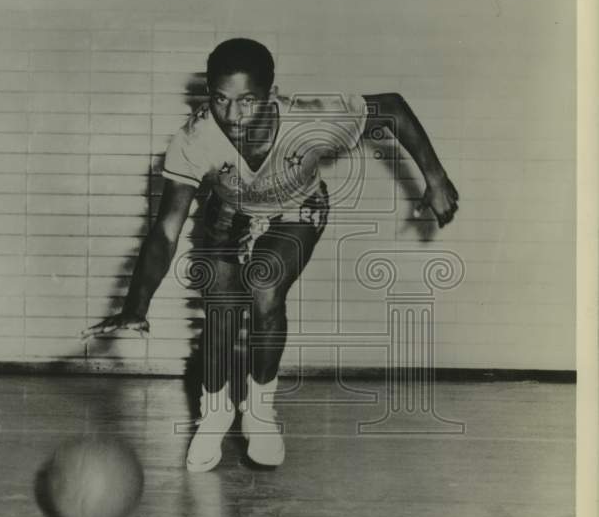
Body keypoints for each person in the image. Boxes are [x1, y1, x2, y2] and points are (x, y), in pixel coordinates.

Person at [84, 38, 459, 472]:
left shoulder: (310, 118)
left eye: (247, 101)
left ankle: (259, 413)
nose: (233, 115)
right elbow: (166, 229)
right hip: (230, 211)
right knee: (221, 311)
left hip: (296, 208)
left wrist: (435, 178)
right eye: (220, 100)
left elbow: (391, 106)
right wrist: (136, 304)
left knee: (264, 287)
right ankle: (216, 413)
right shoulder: (194, 139)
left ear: (270, 93)